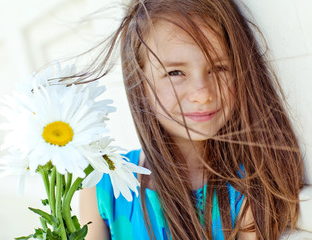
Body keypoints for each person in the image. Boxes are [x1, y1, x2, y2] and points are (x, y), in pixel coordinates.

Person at [79, 0, 305, 239]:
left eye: (219, 68)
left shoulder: (247, 190)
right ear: (139, 83)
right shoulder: (102, 184)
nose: (203, 94)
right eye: (175, 73)